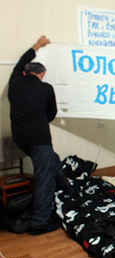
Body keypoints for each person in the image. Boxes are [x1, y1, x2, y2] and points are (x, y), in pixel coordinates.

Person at [8, 35, 72, 235]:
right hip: (39, 138)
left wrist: (37, 45)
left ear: (25, 72)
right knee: (44, 177)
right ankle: (38, 223)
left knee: (50, 160)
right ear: (42, 74)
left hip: (19, 137)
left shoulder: (15, 82)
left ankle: (67, 188)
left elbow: (20, 62)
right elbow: (51, 114)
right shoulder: (45, 88)